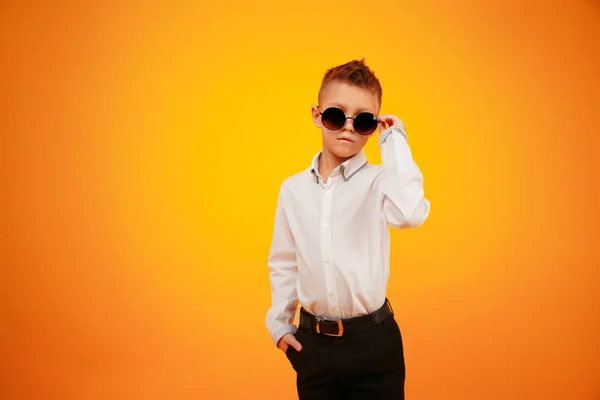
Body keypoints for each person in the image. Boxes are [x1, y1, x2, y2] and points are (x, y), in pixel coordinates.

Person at [265, 58, 430, 399]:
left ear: (374, 125)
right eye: (336, 115)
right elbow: (284, 261)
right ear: (316, 115)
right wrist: (280, 325)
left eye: (364, 120)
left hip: (373, 344)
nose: (348, 128)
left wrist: (395, 139)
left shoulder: (382, 182)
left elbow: (410, 214)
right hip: (314, 347)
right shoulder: (292, 190)